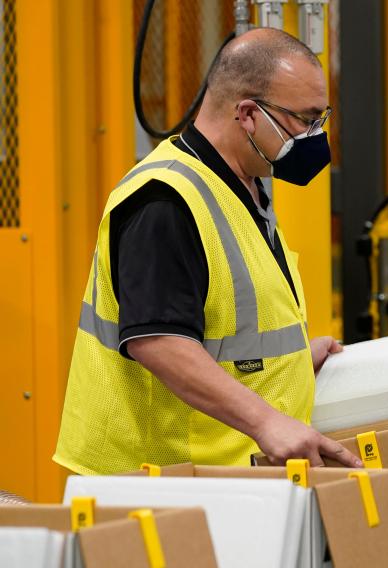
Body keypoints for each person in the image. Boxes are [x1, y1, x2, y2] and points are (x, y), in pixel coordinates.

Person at [55, 28, 362, 474]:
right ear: (248, 115)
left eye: (322, 119)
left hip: (216, 477)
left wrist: (292, 361)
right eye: (305, 120)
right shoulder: (165, 199)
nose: (316, 136)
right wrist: (266, 421)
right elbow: (159, 340)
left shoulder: (243, 184)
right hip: (156, 482)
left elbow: (228, 322)